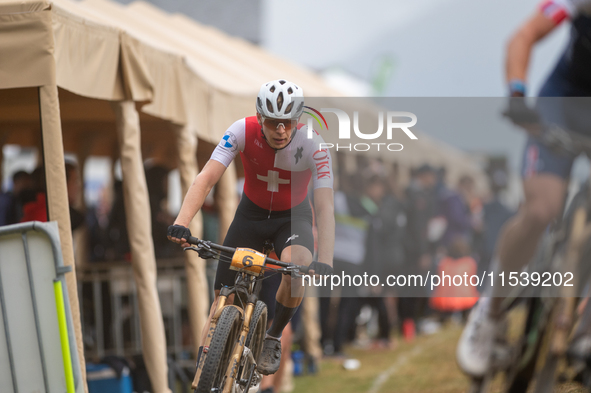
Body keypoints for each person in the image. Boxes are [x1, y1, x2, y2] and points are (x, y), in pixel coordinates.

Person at [457, 0, 591, 377]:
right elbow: (524, 36)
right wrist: (517, 94)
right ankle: (490, 312)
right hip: (561, 104)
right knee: (539, 211)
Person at [168, 79, 335, 378]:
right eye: (273, 122)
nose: (280, 130)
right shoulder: (241, 130)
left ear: (297, 120)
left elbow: (324, 205)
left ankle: (273, 336)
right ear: (260, 118)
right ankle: (204, 373)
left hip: (292, 218)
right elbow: (206, 178)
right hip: (251, 215)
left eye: (287, 122)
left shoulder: (314, 144)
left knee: (297, 267)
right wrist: (182, 222)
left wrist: (327, 258)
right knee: (223, 298)